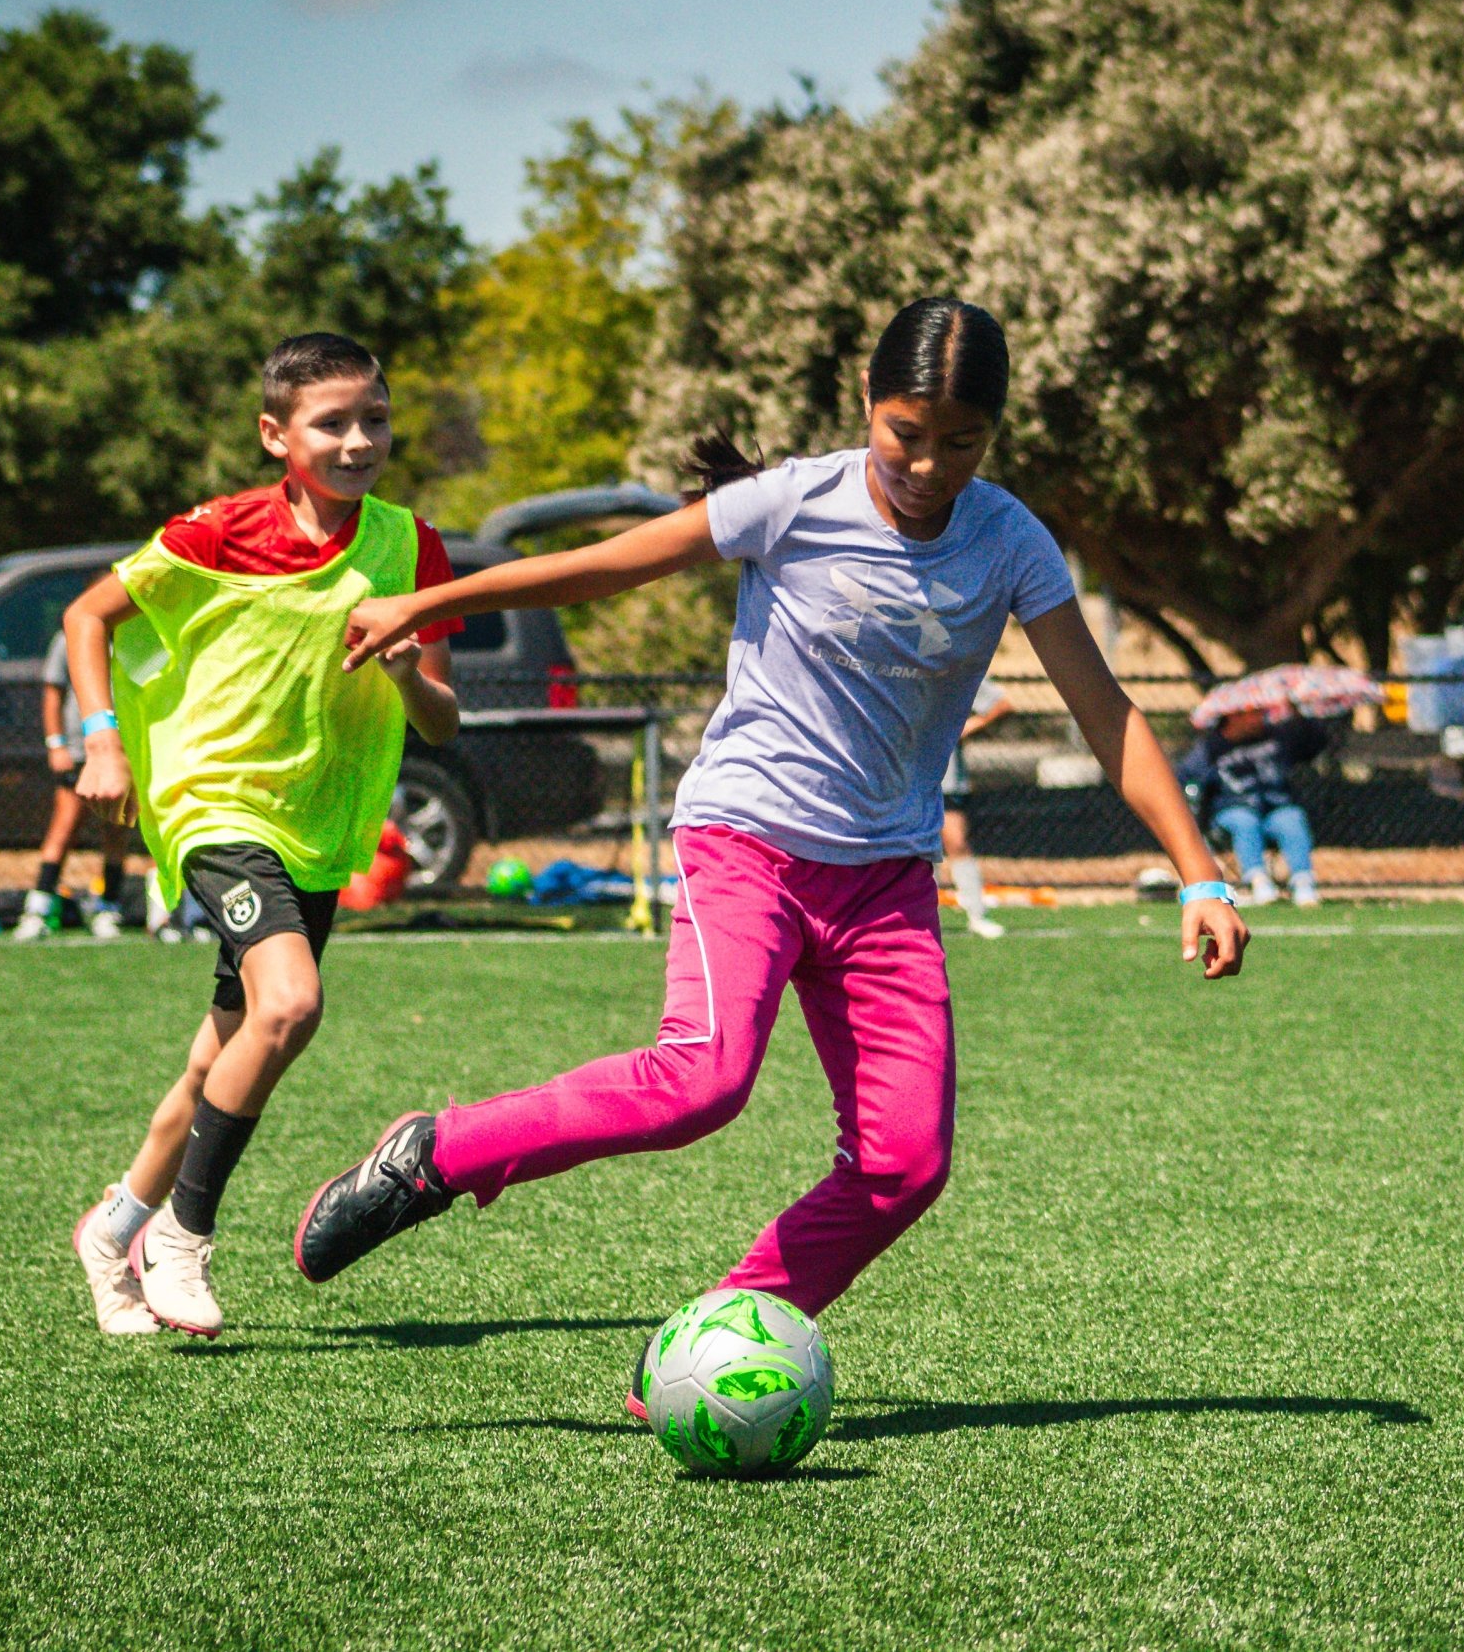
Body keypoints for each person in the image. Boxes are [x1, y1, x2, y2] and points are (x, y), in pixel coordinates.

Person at [290, 298, 1249, 1415]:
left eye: (962, 442)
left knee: (904, 1164)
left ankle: (702, 1342)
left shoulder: (1011, 541)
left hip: (884, 878)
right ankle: (440, 1154)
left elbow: (1105, 710)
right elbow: (604, 568)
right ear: (865, 405)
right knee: (701, 1081)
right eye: (906, 433)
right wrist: (434, 598)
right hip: (745, 840)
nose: (931, 464)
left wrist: (1200, 870)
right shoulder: (793, 497)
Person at [58, 332, 462, 1337]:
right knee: (289, 1005)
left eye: (374, 418)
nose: (359, 439)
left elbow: (442, 722)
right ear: (275, 434)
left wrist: (408, 670)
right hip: (213, 804)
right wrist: (102, 741)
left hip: (318, 826)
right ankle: (182, 1239)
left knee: (221, 1055)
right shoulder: (215, 531)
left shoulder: (411, 546)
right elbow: (86, 615)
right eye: (333, 423)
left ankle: (112, 1230)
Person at [16, 607, 132, 940]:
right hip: (83, 751)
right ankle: (37, 909)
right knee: (64, 828)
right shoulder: (70, 637)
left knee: (115, 831)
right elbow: (53, 694)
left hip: (121, 753)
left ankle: (108, 908)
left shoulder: (132, 639)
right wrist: (56, 745)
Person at [1178, 706, 1326, 907]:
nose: (1261, 717)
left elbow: (1315, 745)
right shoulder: (1211, 748)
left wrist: (1298, 714)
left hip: (1274, 808)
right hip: (1231, 810)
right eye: (1253, 713)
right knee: (1245, 821)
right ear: (1233, 716)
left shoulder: (1277, 737)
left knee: (1291, 818)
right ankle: (1258, 882)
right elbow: (1186, 777)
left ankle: (1302, 881)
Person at [941, 678, 1015, 937]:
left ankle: (977, 916)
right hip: (898, 775)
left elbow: (1001, 705)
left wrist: (965, 728)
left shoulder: (955, 662)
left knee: (957, 842)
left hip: (944, 776)